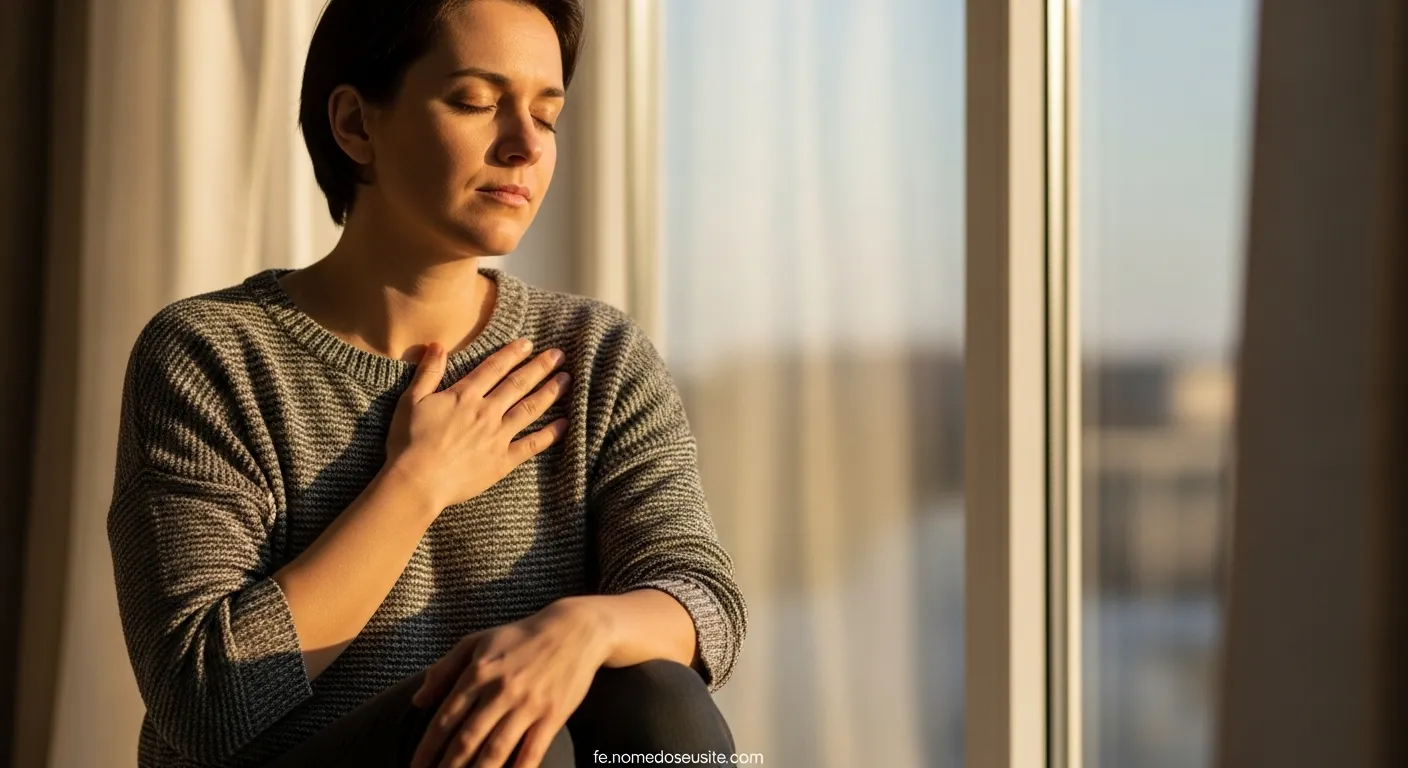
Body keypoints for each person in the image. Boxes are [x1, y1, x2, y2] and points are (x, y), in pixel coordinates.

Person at [105, 0, 747, 765]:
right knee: (513, 741)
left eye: (547, 116)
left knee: (658, 695)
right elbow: (203, 700)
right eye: (476, 102)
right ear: (355, 126)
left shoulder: (597, 355)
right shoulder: (211, 356)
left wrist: (584, 628)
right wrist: (416, 482)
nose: (523, 147)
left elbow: (703, 602)